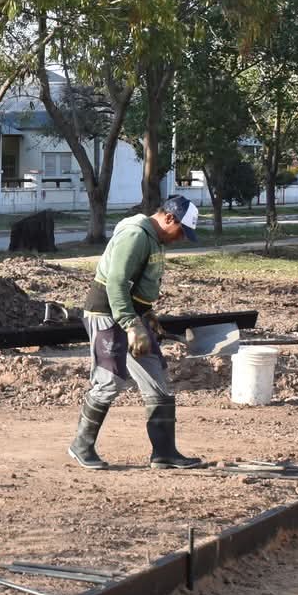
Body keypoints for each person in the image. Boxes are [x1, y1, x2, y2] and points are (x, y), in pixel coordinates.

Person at [65, 195, 204, 471]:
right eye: (181, 232)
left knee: (156, 378)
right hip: (107, 312)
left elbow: (138, 282)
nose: (181, 239)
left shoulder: (155, 238)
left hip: (132, 315)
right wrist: (131, 324)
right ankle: (81, 445)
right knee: (110, 380)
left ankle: (164, 453)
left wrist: (146, 313)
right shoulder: (135, 235)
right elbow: (116, 283)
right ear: (169, 218)